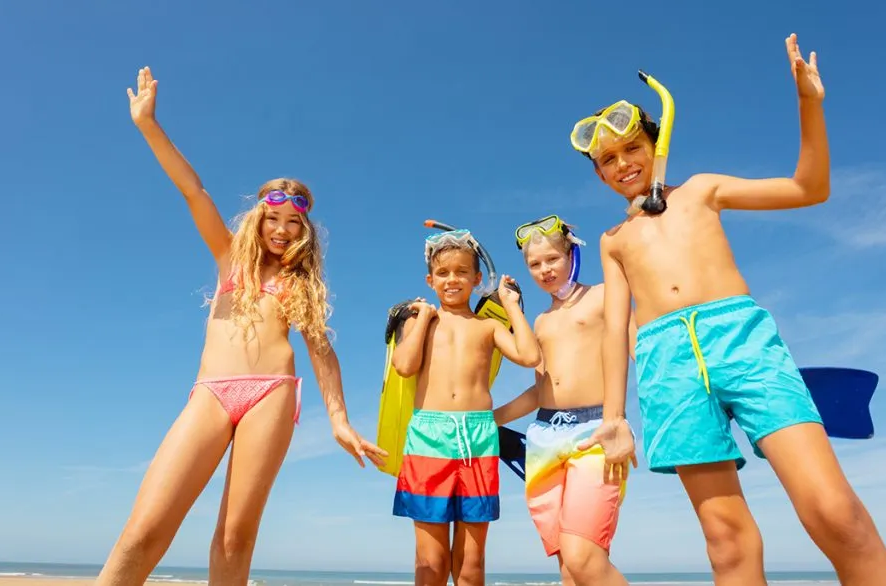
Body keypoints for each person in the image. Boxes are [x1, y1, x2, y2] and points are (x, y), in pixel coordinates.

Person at [573, 34, 886, 585]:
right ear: (600, 175)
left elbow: (809, 188)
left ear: (657, 145)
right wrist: (614, 417)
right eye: (607, 159)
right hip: (665, 365)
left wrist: (808, 104)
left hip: (741, 340)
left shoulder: (701, 190)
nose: (622, 163)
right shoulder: (613, 240)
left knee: (834, 513)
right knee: (727, 543)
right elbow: (615, 328)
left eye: (632, 147)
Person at [95, 67, 387, 586]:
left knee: (235, 536)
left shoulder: (301, 287)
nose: (281, 230)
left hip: (271, 394)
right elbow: (192, 190)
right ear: (259, 220)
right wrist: (148, 124)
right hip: (211, 392)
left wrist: (340, 421)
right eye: (274, 219)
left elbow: (322, 353)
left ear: (304, 231)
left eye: (293, 222)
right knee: (143, 531)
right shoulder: (232, 262)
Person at [391, 229, 542, 586]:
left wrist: (510, 305)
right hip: (429, 437)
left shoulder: (489, 326)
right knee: (432, 562)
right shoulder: (418, 322)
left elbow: (530, 355)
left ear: (477, 279)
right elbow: (404, 366)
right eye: (443, 273)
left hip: (478, 440)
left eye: (462, 272)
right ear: (430, 280)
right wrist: (424, 318)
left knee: (472, 565)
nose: (452, 280)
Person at [493, 216, 633, 586]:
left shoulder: (605, 295)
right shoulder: (540, 322)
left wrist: (622, 421)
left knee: (582, 556)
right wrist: (491, 419)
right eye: (534, 264)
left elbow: (639, 351)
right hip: (544, 437)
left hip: (596, 431)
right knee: (569, 567)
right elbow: (541, 390)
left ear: (572, 253)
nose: (544, 270)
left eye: (552, 259)